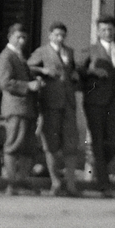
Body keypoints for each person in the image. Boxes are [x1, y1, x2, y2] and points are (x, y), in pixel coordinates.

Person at [29, 22, 83, 197]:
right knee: (51, 144)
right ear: (50, 35)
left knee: (71, 143)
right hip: (50, 102)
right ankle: (56, 182)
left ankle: (71, 185)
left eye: (62, 35)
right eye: (57, 35)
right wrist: (43, 70)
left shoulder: (69, 52)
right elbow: (28, 67)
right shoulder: (42, 51)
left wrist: (74, 75)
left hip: (68, 103)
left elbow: (72, 71)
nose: (60, 38)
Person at [77, 17, 115, 197]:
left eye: (110, 29)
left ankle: (97, 166)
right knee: (98, 141)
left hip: (114, 100)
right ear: (98, 31)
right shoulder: (91, 50)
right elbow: (77, 70)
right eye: (104, 30)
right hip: (95, 100)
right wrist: (92, 71)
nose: (107, 32)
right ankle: (104, 185)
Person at [0, 23, 42, 196]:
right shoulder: (6, 56)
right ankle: (12, 183)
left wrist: (35, 81)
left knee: (28, 146)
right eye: (18, 37)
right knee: (14, 145)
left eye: (24, 38)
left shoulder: (19, 56)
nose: (21, 41)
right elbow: (5, 83)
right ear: (10, 37)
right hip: (15, 107)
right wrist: (28, 85)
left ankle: (22, 181)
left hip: (27, 107)